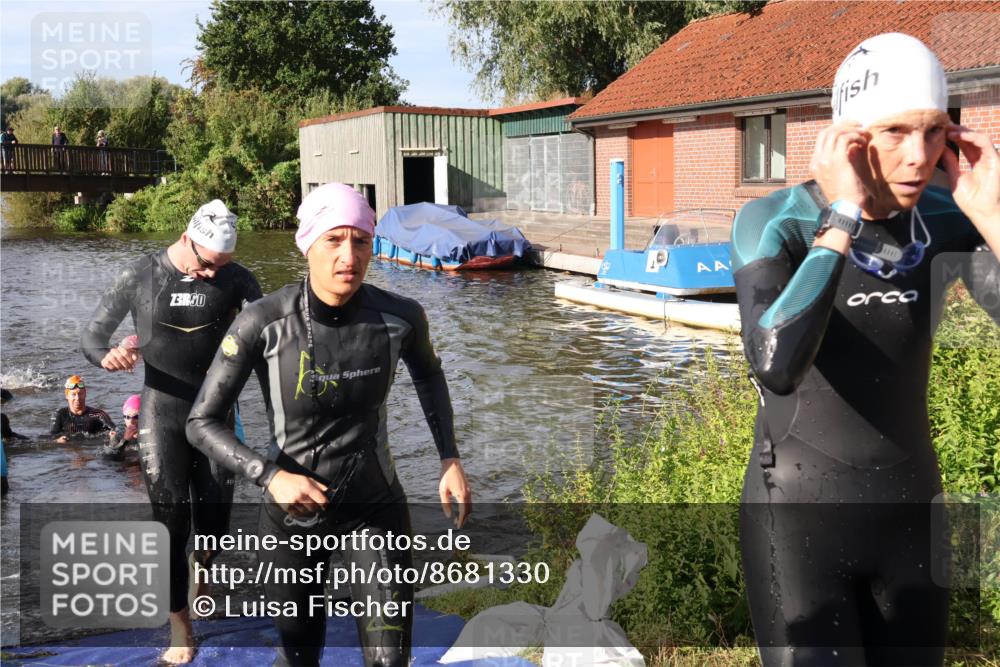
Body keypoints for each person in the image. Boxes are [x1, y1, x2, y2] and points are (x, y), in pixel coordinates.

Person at [731, 33, 1000, 666]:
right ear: (848, 136)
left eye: (935, 133)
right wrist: (844, 214)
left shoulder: (947, 215)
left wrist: (993, 217)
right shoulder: (779, 220)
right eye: (896, 132)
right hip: (797, 517)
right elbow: (775, 364)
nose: (919, 155)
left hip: (913, 507)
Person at [186, 182, 472, 667]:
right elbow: (201, 422)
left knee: (389, 662)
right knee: (302, 659)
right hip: (292, 519)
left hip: (374, 510)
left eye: (361, 240)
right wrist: (270, 477)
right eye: (334, 240)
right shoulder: (263, 321)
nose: (349, 255)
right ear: (308, 245)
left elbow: (429, 374)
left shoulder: (400, 317)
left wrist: (449, 458)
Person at [81, 199, 262, 665]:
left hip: (217, 415)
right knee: (170, 524)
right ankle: (180, 628)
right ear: (186, 240)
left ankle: (201, 569)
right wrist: (107, 356)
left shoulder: (238, 279)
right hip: (162, 411)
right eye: (207, 264)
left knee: (217, 528)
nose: (212, 274)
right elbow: (92, 335)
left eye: (220, 266)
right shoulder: (141, 275)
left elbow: (267, 343)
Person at [49, 375, 117, 442]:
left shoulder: (98, 414)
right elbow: (51, 437)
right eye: (73, 394)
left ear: (85, 394)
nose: (77, 398)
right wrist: (57, 440)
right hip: (69, 451)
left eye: (80, 394)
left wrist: (113, 436)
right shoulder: (60, 414)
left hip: (90, 449)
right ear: (67, 396)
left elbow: (115, 430)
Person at [103, 394, 140, 461]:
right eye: (127, 417)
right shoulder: (118, 435)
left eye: (136, 417)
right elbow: (109, 460)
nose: (131, 422)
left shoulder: (152, 432)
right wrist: (125, 440)